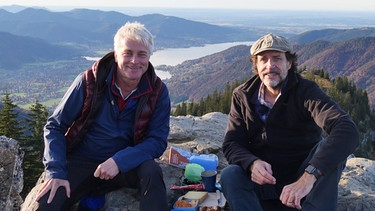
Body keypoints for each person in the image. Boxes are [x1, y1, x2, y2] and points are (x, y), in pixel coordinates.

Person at [33, 22, 171, 211]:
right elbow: (55, 126)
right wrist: (56, 170)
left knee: (152, 172)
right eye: (127, 53)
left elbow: (157, 140)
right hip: (82, 161)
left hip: (126, 164)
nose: (134, 61)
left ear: (149, 56)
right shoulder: (89, 81)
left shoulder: (157, 91)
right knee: (47, 203)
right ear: (116, 55)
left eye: (141, 54)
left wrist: (119, 161)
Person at [219, 33, 359, 210]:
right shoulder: (243, 96)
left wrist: (310, 175)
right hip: (264, 185)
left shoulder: (306, 92)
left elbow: (347, 129)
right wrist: (252, 163)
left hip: (303, 184)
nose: (270, 66)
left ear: (289, 63)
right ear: (256, 65)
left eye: (277, 58)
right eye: (263, 60)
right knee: (230, 174)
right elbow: (232, 143)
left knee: (330, 149)